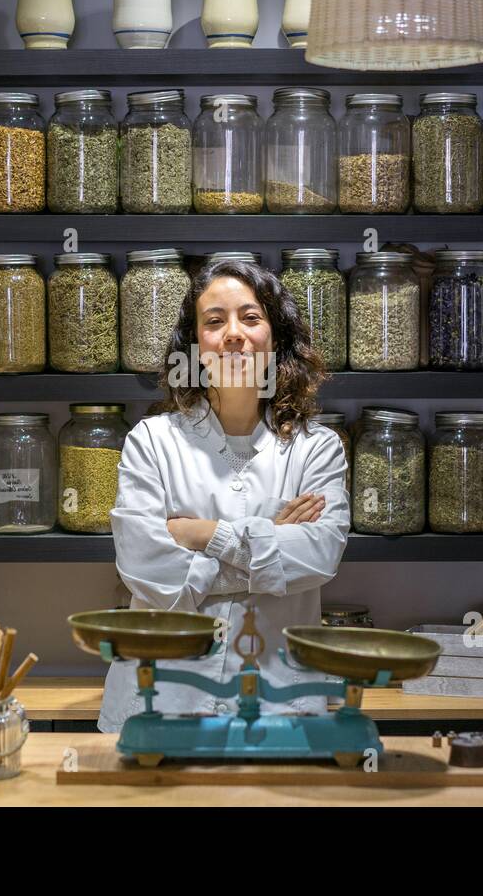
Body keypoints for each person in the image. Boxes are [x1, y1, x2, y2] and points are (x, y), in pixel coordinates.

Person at [98, 259, 351, 733]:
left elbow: (319, 557)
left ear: (275, 339)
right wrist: (269, 549)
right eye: (214, 321)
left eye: (251, 318)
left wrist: (199, 534)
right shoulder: (151, 441)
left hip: (281, 703)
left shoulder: (317, 448)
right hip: (164, 699)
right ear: (194, 346)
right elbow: (144, 570)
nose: (233, 333)